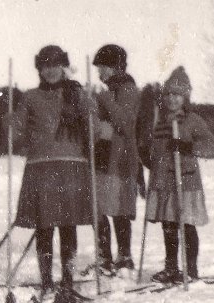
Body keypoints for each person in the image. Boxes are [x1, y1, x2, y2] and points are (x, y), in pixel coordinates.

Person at [9, 45, 94, 292]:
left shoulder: (77, 95)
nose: (50, 71)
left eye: (55, 65)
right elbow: (19, 128)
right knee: (44, 225)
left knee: (68, 224)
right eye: (45, 66)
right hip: (41, 167)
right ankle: (46, 279)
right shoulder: (30, 96)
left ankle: (68, 278)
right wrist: (12, 122)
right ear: (39, 69)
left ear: (63, 66)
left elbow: (93, 128)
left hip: (71, 165)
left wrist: (90, 112)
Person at [145, 66, 214, 282]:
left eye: (176, 95)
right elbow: (153, 149)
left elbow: (211, 146)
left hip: (185, 180)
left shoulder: (192, 120)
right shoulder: (159, 121)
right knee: (168, 225)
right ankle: (171, 267)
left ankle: (191, 269)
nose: (171, 99)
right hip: (164, 181)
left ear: (185, 96)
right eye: (168, 94)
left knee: (186, 225)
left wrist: (188, 147)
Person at [91, 44, 141, 274]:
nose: (99, 74)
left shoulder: (128, 88)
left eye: (102, 68)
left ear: (114, 67)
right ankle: (104, 258)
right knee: (98, 208)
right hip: (102, 155)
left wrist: (103, 99)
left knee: (118, 208)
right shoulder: (107, 89)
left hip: (119, 159)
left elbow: (125, 122)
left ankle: (123, 258)